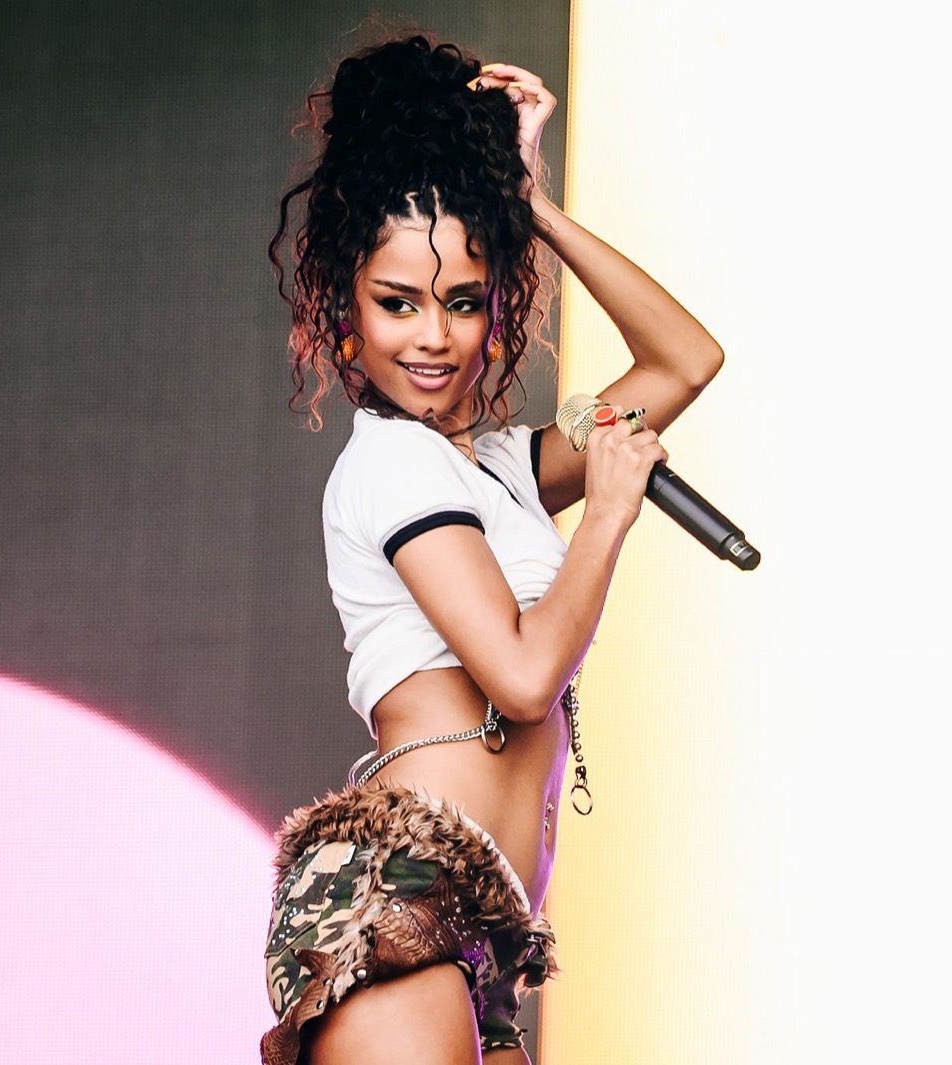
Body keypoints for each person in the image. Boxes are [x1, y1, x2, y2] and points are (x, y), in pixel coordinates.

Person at [261, 33, 723, 1065]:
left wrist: (527, 203)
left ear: (497, 304)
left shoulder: (502, 468)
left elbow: (684, 360)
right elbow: (518, 678)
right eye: (397, 302)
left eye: (463, 302)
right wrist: (605, 514)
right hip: (397, 896)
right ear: (344, 307)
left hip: (483, 936)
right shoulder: (391, 463)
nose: (432, 336)